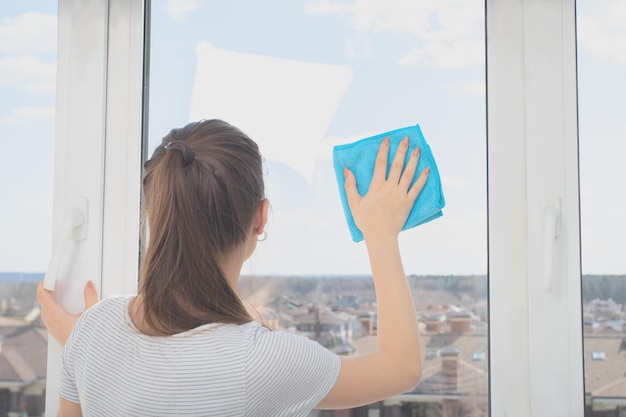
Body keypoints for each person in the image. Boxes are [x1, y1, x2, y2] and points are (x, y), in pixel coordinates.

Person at [37, 119, 430, 417]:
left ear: (156, 213)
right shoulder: (262, 361)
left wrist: (87, 338)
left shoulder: (92, 331)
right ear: (260, 218)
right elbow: (401, 368)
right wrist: (380, 234)